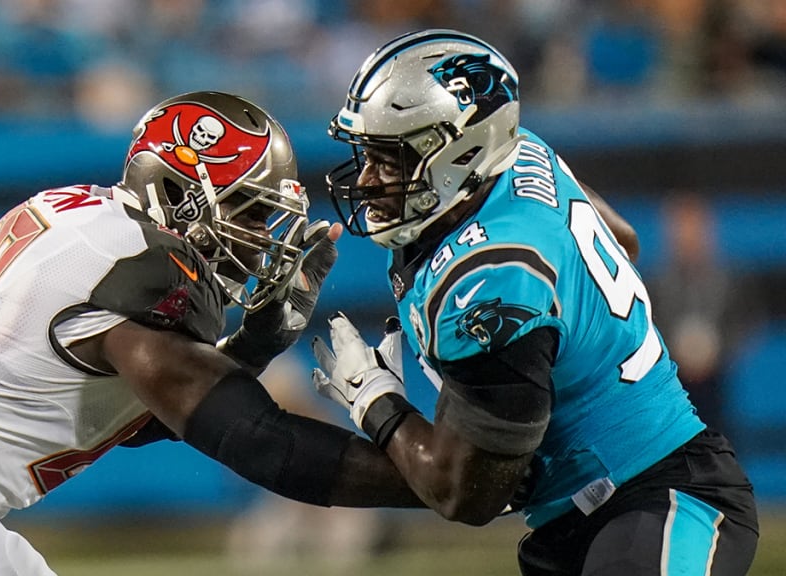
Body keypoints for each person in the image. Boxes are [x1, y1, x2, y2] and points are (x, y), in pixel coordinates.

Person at [0, 91, 422, 575]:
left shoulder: (96, 223)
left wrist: (254, 344)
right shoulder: (143, 271)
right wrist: (442, 475)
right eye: (249, 212)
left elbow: (139, 417)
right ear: (180, 196)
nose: (258, 240)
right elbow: (255, 441)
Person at [312, 29, 759, 575]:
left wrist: (374, 401)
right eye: (367, 155)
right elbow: (625, 241)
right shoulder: (520, 155)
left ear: (460, 152)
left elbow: (463, 495)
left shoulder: (494, 274)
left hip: (658, 494)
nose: (368, 180)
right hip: (579, 519)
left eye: (389, 159)